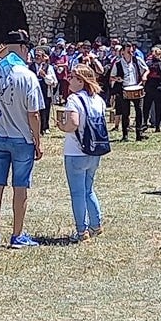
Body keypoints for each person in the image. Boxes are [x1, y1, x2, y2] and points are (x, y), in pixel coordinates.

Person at [0, 31, 46, 248]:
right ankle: (16, 234)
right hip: (21, 138)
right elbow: (34, 114)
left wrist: (7, 47)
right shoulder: (28, 76)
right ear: (22, 48)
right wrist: (37, 141)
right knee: (20, 188)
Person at [59, 65, 109, 239]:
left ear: (81, 80)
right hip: (94, 150)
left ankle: (82, 230)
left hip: (75, 151)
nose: (68, 79)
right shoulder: (98, 100)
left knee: (77, 192)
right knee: (88, 189)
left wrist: (61, 126)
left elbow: (72, 123)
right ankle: (96, 224)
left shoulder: (74, 99)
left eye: (72, 77)